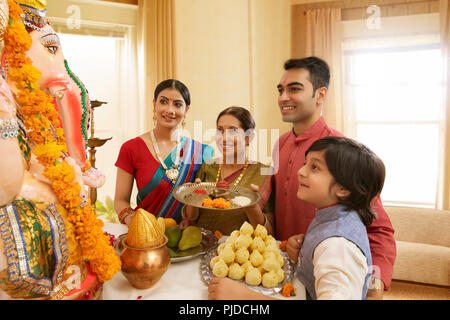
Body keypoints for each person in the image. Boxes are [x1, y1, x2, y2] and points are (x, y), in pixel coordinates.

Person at [242, 56, 396, 298]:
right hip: (283, 275)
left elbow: (379, 230)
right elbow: (269, 203)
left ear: (321, 94)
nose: (283, 97)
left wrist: (374, 288)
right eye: (281, 90)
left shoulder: (342, 154)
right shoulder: (280, 143)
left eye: (294, 89)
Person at [208, 136, 385, 300]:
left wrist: (243, 296)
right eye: (305, 164)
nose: (300, 171)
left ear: (343, 189)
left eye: (314, 167)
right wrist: (303, 254)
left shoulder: (338, 247)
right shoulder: (332, 214)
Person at [114, 79, 213, 224]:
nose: (170, 110)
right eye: (163, 102)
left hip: (188, 238)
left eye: (177, 104)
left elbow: (206, 207)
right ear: (154, 104)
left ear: (186, 109)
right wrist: (132, 220)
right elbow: (120, 200)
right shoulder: (131, 148)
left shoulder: (201, 152)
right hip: (145, 238)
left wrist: (197, 198)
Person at [179, 106, 271, 235]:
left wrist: (252, 206)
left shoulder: (263, 173)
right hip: (202, 248)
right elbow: (191, 218)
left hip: (238, 251)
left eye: (233, 131)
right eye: (219, 130)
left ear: (248, 138)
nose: (223, 138)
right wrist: (192, 197)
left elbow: (269, 231)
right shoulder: (207, 167)